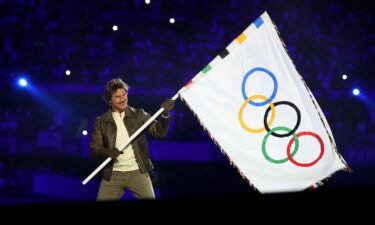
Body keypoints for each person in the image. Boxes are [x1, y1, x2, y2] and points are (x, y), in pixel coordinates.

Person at [90, 78, 175, 200]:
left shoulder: (139, 114)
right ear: (109, 100)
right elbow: (95, 148)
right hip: (113, 175)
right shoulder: (101, 121)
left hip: (137, 172)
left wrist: (166, 114)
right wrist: (108, 152)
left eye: (124, 94)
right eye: (118, 97)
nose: (123, 99)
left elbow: (159, 132)